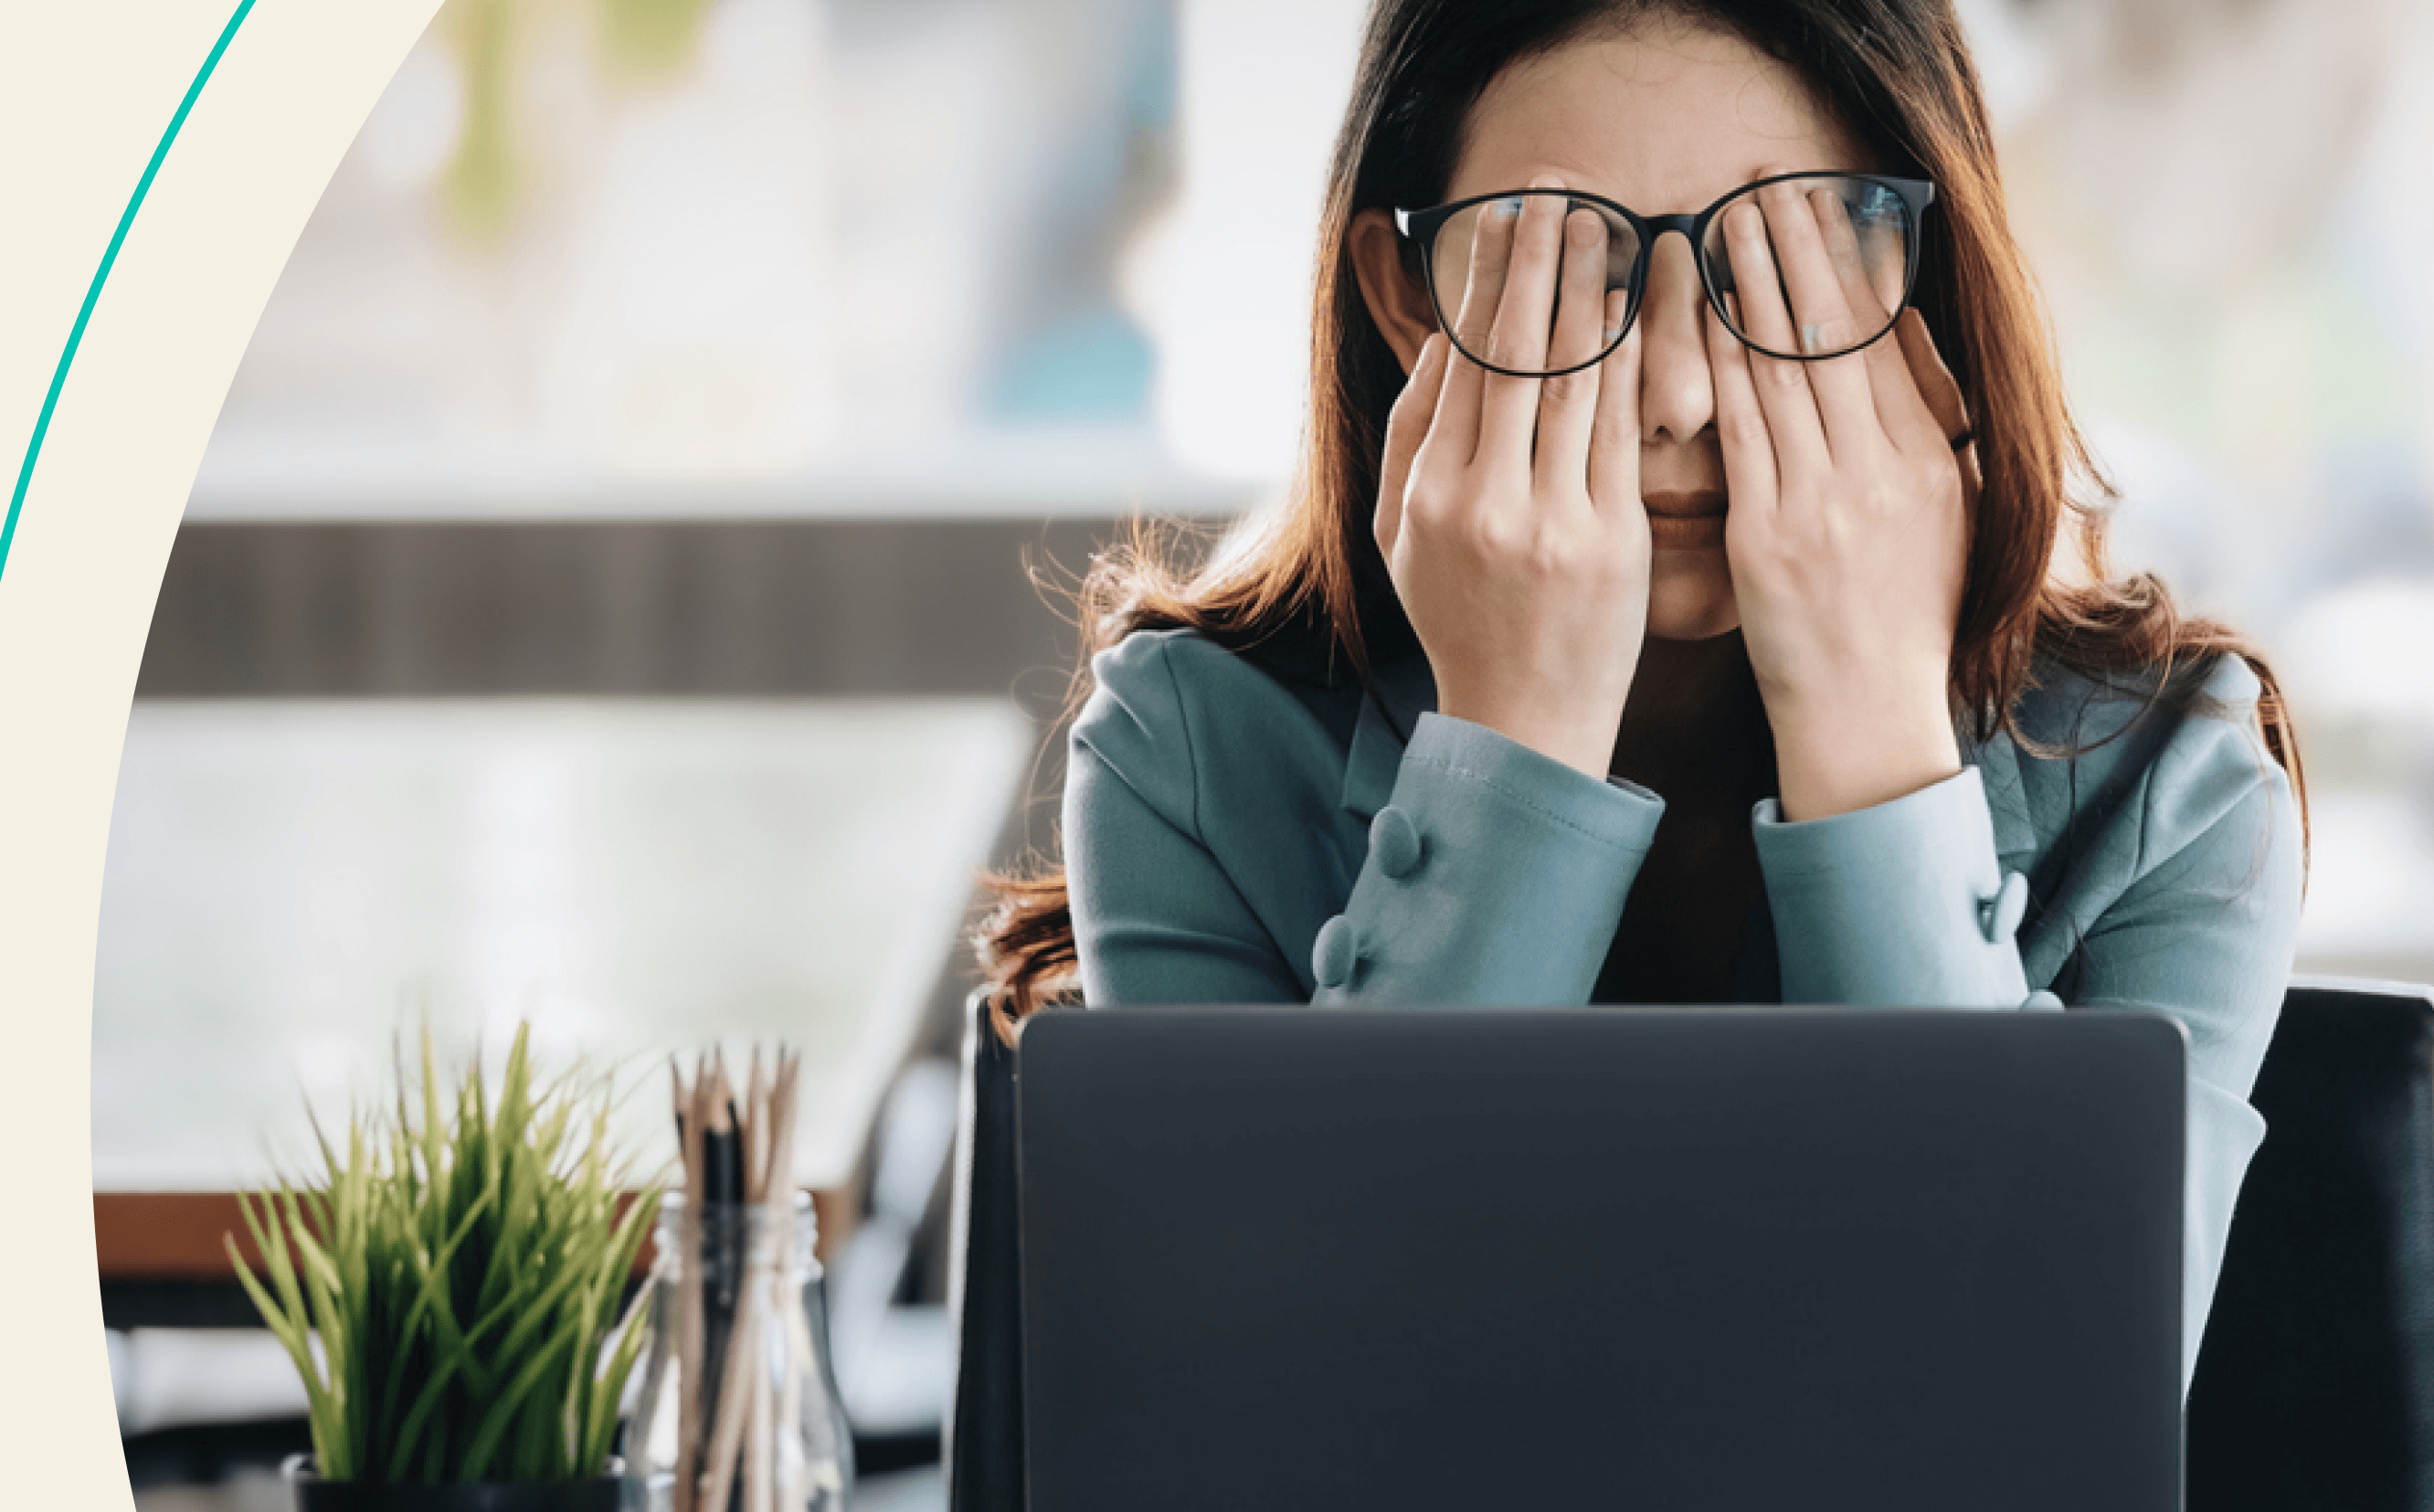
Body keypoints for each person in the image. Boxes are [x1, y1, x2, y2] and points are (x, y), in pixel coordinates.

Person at [981, 0, 2303, 1358]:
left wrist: (1871, 724)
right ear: (1403, 298)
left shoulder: (2176, 787)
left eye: (1780, 262)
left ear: (1926, 279)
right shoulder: (1190, 757)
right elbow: (1288, 1392)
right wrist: (1515, 744)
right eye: (1573, 271)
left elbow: (2041, 1395)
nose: (1677, 391)